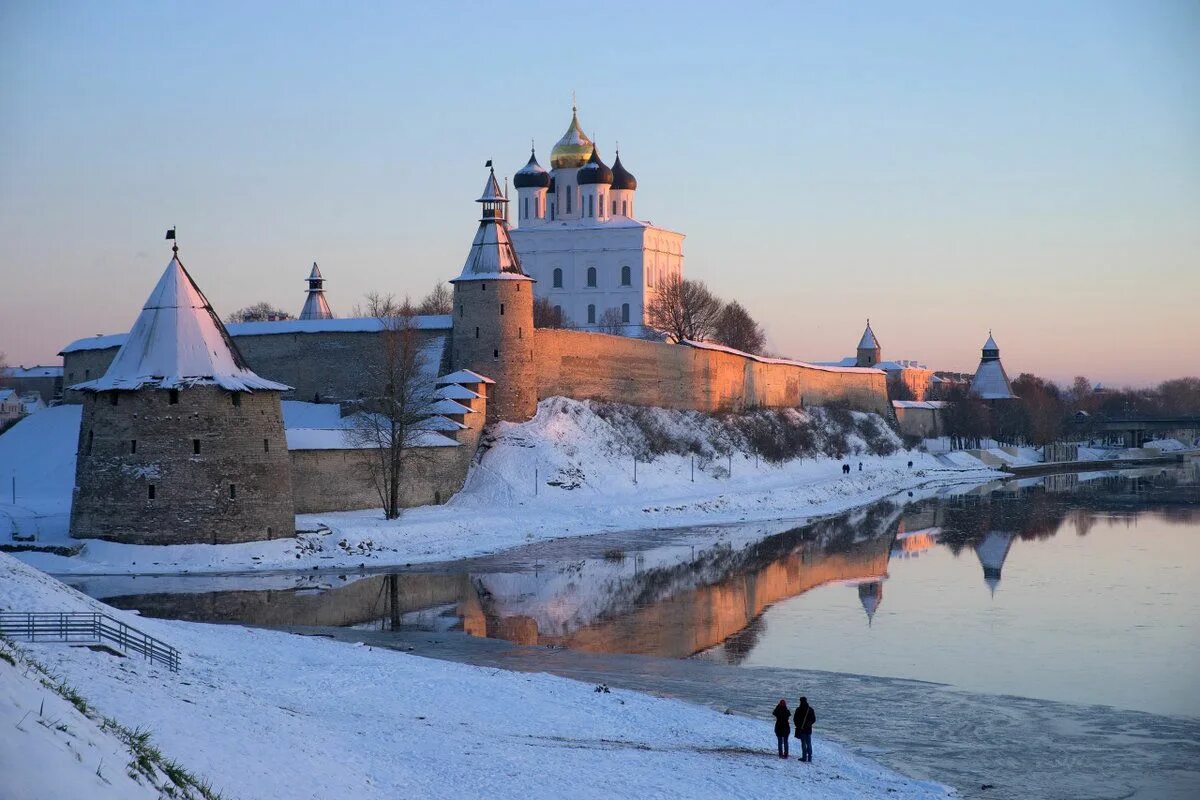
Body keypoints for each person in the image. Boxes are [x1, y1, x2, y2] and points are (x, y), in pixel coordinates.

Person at [793, 697, 816, 762]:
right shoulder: (810, 709)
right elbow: (814, 719)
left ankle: (804, 757)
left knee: (803, 743)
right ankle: (809, 757)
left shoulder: (798, 709)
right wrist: (809, 724)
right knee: (809, 743)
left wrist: (798, 726)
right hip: (808, 729)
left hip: (801, 729)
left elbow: (795, 719)